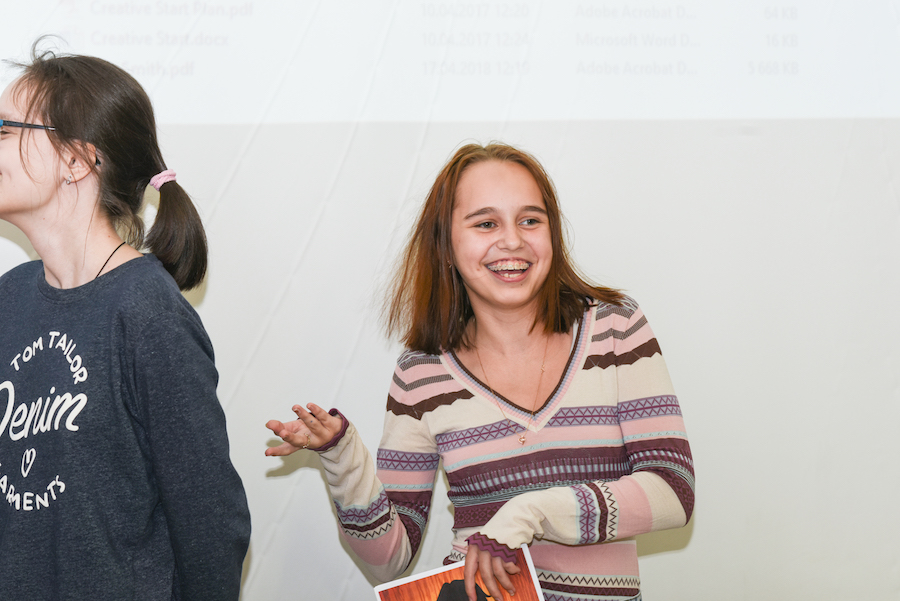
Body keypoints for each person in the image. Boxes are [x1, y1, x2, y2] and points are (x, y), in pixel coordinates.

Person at [266, 143, 694, 601]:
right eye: (486, 223)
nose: (512, 241)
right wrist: (341, 456)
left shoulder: (615, 328)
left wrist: (527, 514)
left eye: (530, 220)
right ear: (446, 246)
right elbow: (390, 559)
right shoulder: (420, 374)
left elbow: (673, 491)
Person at [0, 45, 250, 600]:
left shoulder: (146, 312)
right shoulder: (9, 298)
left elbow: (211, 526)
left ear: (76, 161)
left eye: (5, 129)